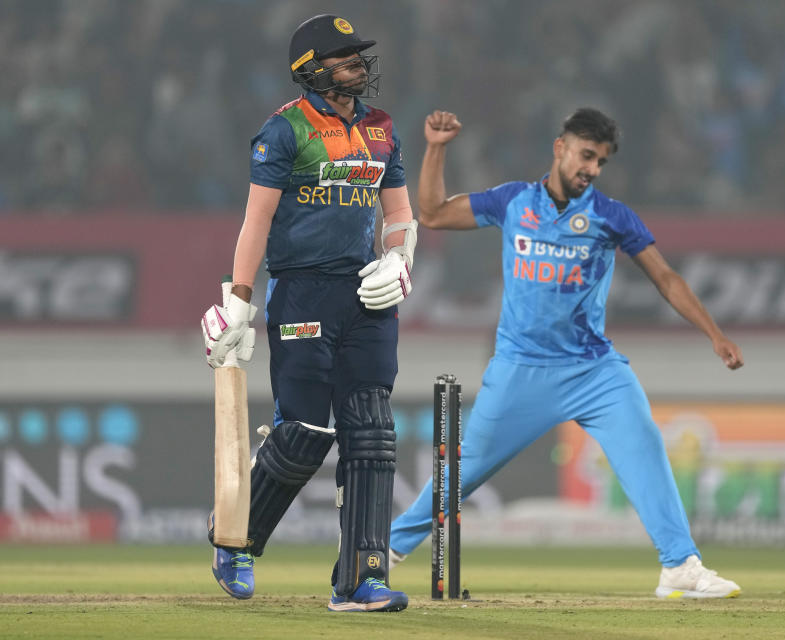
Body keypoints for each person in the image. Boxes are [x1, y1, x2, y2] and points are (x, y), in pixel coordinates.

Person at [390, 108, 744, 599]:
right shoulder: (513, 201)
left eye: (600, 161)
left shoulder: (610, 216)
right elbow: (431, 213)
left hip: (593, 370)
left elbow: (664, 277)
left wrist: (714, 334)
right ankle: (382, 554)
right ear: (560, 148)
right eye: (585, 155)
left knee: (644, 445)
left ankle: (680, 566)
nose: (591, 169)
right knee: (459, 477)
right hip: (520, 370)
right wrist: (436, 148)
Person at [200, 14, 416, 612]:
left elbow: (398, 215)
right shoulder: (285, 130)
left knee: (372, 434)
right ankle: (234, 534)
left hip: (366, 295)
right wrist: (237, 302)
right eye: (345, 59)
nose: (358, 67)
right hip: (301, 292)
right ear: (312, 69)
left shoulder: (381, 128)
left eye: (358, 58)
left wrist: (399, 263)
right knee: (303, 433)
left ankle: (360, 579)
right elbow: (257, 221)